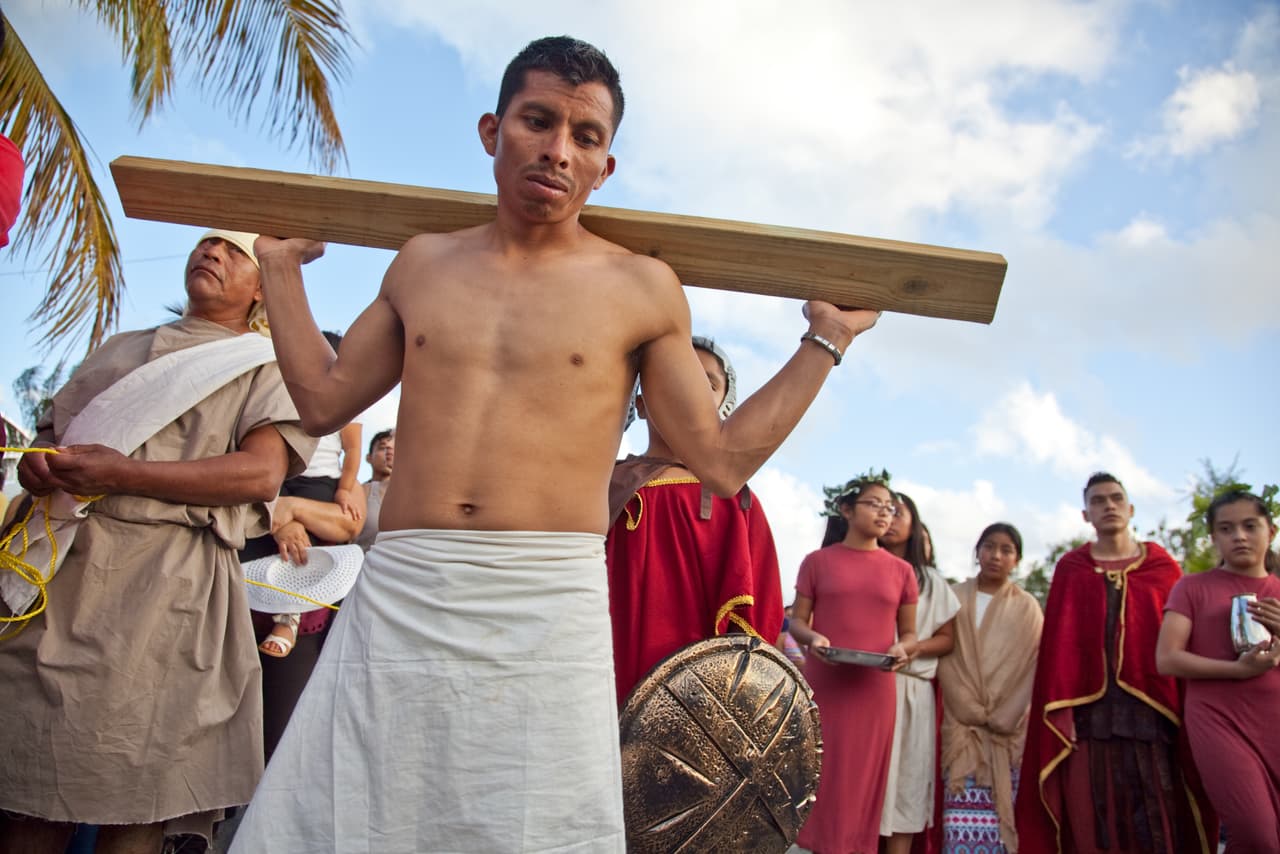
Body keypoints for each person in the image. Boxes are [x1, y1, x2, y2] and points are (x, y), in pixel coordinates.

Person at [231, 35, 879, 852]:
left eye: (585, 137)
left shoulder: (639, 286)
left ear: (606, 165)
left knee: (536, 823)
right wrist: (281, 272)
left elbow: (718, 460)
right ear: (490, 130)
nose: (557, 150)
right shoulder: (421, 265)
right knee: (350, 811)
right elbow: (323, 401)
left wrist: (824, 342)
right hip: (406, 584)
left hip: (546, 595)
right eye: (537, 121)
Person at [0, 229, 314, 853]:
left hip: (170, 590)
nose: (213, 253)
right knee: (32, 790)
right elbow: (50, 438)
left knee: (139, 792)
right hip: (64, 575)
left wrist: (124, 474)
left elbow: (259, 474)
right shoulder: (121, 348)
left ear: (260, 288)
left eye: (235, 251)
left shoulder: (267, 363)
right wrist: (41, 466)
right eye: (206, 243)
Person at [1015, 472, 1215, 853]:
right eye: (1098, 501)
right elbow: (1059, 652)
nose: (1108, 505)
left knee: (1158, 814)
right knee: (1093, 816)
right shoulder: (1071, 569)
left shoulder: (1163, 567)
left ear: (1131, 508)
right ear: (1086, 514)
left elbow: (1184, 641)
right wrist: (1063, 714)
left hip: (1154, 711)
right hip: (1089, 716)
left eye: (1116, 498)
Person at [606, 335, 783, 706]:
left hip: (698, 700)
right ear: (639, 401)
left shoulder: (738, 502)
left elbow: (758, 623)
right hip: (603, 671)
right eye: (672, 375)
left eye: (708, 382)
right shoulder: (601, 484)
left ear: (724, 406)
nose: (689, 390)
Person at [787, 475, 919, 854]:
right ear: (846, 509)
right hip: (824, 684)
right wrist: (813, 639)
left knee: (862, 781)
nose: (884, 513)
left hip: (874, 690)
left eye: (889, 507)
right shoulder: (816, 562)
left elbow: (909, 635)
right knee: (816, 773)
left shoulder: (901, 571)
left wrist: (901, 649)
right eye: (874, 504)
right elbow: (797, 621)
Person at [1156, 490, 1280, 853]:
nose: (1239, 536)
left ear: (1270, 531)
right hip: (1219, 721)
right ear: (1214, 537)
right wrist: (1236, 670)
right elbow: (1167, 659)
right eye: (1226, 528)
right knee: (1257, 837)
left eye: (1249, 526)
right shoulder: (1192, 587)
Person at [256, 330, 364, 658]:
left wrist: (345, 488)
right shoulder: (276, 396)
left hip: (320, 480)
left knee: (309, 548)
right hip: (280, 476)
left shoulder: (347, 402)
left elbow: (353, 449)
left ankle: (290, 615)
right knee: (273, 525)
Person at [937, 523, 1042, 854]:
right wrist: (968, 707)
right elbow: (946, 658)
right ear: (977, 552)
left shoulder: (1028, 607)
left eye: (1006, 549)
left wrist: (1007, 713)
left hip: (1005, 732)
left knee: (1001, 824)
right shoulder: (953, 598)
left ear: (1017, 559)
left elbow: (1033, 665)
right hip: (961, 727)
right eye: (989, 546)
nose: (996, 555)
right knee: (958, 824)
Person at [879, 492, 960, 854]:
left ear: (915, 524)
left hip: (911, 692)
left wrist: (913, 648)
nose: (890, 518)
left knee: (906, 787)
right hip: (867, 689)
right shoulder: (865, 567)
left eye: (898, 512)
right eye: (883, 510)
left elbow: (947, 640)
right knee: (866, 784)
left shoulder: (930, 580)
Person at [354, 427, 393, 551]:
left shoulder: (411, 495)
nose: (389, 451)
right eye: (382, 447)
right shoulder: (358, 491)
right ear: (369, 457)